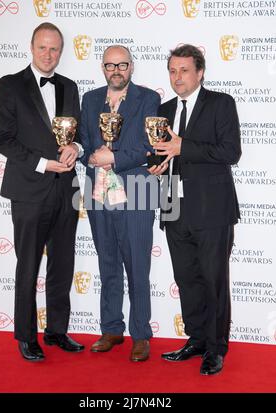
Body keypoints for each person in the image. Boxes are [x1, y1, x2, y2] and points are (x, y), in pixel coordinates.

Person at [0, 22, 84, 362]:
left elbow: (80, 132)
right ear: (32, 47)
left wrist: (75, 146)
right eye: (43, 47)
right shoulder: (11, 84)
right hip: (29, 189)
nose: (49, 54)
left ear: (61, 52)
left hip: (67, 190)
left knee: (63, 263)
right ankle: (26, 336)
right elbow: (1, 139)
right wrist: (42, 164)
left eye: (55, 49)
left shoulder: (70, 87)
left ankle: (57, 331)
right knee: (28, 265)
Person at [149, 44, 241, 375]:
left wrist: (182, 146)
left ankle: (216, 348)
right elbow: (162, 153)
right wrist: (157, 164)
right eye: (173, 71)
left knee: (213, 279)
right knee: (186, 279)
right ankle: (197, 338)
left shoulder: (221, 103)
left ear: (200, 72)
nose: (177, 77)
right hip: (174, 206)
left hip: (212, 210)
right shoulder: (164, 108)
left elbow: (231, 152)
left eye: (184, 70)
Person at [80, 45, 160, 361]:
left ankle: (141, 335)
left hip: (137, 190)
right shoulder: (89, 100)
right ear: (102, 68)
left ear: (131, 67)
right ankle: (111, 328)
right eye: (110, 65)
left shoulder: (148, 99)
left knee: (138, 266)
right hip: (99, 193)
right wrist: (91, 156)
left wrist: (113, 157)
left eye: (122, 64)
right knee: (108, 262)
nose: (116, 70)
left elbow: (147, 147)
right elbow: (83, 144)